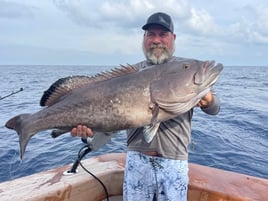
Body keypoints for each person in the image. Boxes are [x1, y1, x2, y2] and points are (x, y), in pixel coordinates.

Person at [71, 12, 220, 201]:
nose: (157, 40)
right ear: (144, 39)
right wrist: (90, 132)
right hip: (136, 163)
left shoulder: (189, 69)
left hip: (175, 163)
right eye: (151, 35)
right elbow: (109, 123)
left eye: (163, 34)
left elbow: (215, 108)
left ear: (173, 38)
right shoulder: (128, 74)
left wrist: (209, 101)